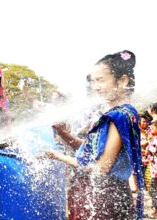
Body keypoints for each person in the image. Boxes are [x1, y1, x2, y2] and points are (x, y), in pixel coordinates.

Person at [43, 50, 143, 219]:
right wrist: (64, 133)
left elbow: (101, 168)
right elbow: (91, 151)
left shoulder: (118, 116)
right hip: (108, 194)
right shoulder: (121, 114)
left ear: (123, 81)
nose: (96, 87)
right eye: (94, 81)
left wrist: (58, 156)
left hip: (106, 198)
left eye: (101, 80)